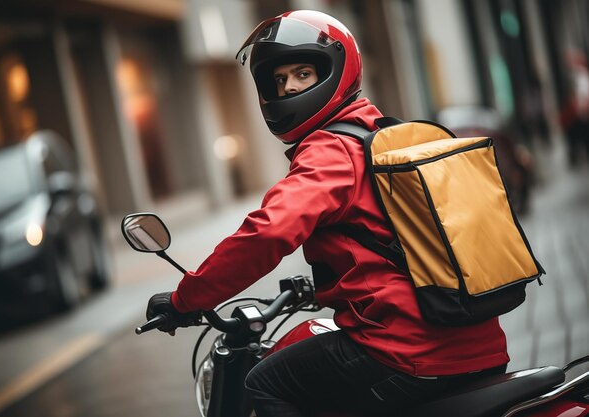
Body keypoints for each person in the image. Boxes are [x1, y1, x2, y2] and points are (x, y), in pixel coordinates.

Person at [146, 10, 509, 416]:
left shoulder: (330, 150)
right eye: (278, 80)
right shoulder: (379, 133)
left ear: (337, 71)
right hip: (479, 343)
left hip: (407, 349)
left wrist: (186, 298)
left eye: (303, 73)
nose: (287, 89)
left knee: (262, 382)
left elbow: (267, 234)